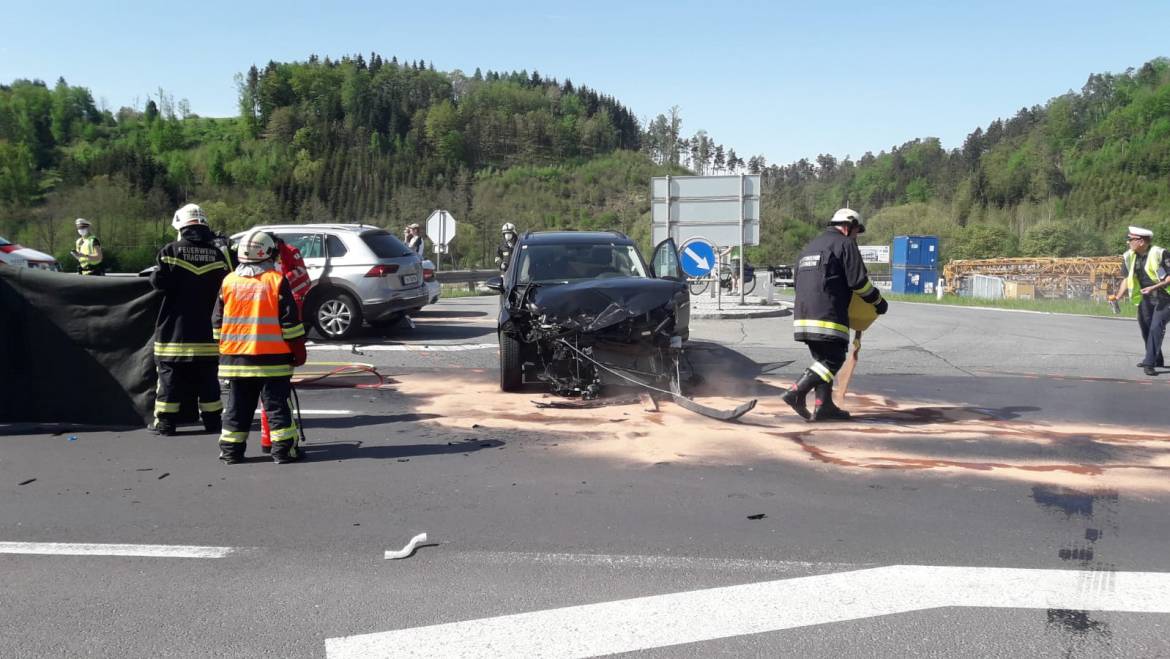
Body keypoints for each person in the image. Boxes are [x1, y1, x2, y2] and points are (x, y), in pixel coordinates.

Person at [782, 208, 887, 421]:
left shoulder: (809, 248)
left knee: (822, 361)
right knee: (834, 359)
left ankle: (824, 406)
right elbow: (859, 282)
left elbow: (797, 282)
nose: (856, 237)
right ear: (848, 227)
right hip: (828, 314)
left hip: (803, 315)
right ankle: (796, 392)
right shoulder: (845, 244)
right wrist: (878, 301)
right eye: (857, 232)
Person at [212, 230, 307, 464]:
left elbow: (217, 324)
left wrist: (225, 349)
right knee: (276, 408)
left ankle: (231, 452)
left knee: (236, 408)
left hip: (235, 361)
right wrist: (298, 352)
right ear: (269, 254)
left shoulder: (229, 281)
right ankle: (283, 451)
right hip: (272, 362)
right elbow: (290, 324)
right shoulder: (275, 281)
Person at [149, 204, 232, 436]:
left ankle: (165, 424)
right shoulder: (218, 254)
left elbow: (159, 283)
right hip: (208, 331)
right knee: (207, 379)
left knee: (169, 378)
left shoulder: (170, 251)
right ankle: (213, 422)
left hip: (174, 330)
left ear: (180, 226)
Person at [258, 234, 311, 454]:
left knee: (273, 394)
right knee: (271, 394)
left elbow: (302, 281)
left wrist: (279, 288)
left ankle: (273, 442)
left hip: (279, 328)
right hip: (265, 333)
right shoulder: (260, 262)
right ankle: (274, 442)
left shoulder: (288, 253)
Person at [1109, 226, 1170, 376]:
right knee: (1146, 328)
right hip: (1145, 297)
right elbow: (1127, 279)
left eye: (1131, 240)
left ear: (1141, 241)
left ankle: (1149, 363)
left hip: (1165, 296)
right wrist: (1117, 296)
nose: (1128, 242)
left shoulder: (1160, 253)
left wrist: (1153, 287)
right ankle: (1156, 359)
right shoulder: (1129, 256)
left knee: (1156, 326)